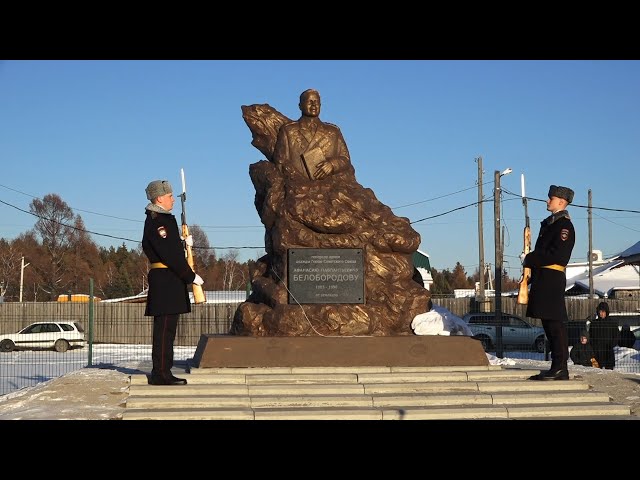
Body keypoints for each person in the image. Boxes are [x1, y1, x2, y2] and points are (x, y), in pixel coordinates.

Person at [142, 179, 204, 385]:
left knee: (168, 331)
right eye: (169, 196)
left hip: (168, 281)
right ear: (159, 198)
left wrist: (182, 243)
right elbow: (168, 254)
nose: (173, 200)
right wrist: (190, 276)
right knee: (164, 330)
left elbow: (168, 247)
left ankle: (163, 370)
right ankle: (160, 373)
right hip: (166, 282)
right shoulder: (159, 221)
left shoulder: (161, 219)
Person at [524, 185, 576, 381]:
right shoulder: (551, 224)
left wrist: (531, 259)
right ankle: (557, 365)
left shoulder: (563, 226)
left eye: (551, 198)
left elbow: (559, 256)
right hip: (544, 278)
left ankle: (561, 366)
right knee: (549, 323)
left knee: (555, 323)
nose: (547, 201)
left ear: (561, 202)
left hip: (552, 279)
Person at [272, 88, 355, 181]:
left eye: (316, 102)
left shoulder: (333, 131)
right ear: (300, 106)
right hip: (297, 186)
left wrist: (332, 165)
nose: (314, 105)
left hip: (329, 186)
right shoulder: (288, 130)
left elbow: (345, 159)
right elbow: (280, 162)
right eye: (309, 102)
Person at [589, 301, 619, 369]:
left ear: (606, 312)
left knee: (609, 372)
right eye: (599, 311)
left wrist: (612, 344)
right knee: (597, 372)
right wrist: (593, 345)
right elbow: (590, 336)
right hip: (597, 351)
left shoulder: (612, 323)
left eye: (602, 311)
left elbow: (616, 335)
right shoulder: (594, 323)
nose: (600, 313)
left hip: (608, 350)